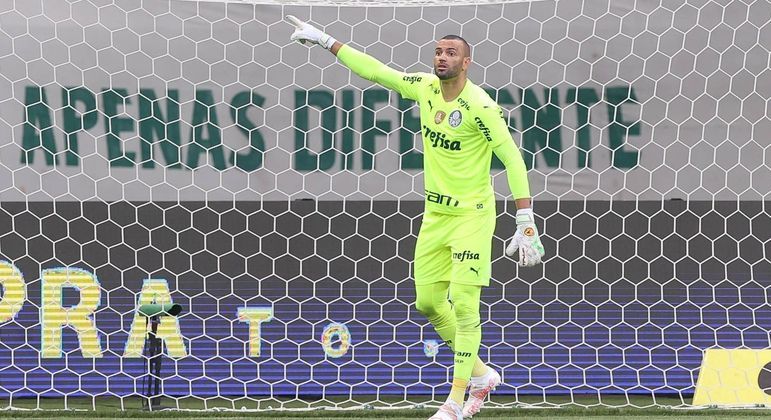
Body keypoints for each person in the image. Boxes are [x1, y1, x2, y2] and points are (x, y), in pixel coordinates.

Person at [286, 15, 545, 420]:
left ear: (467, 62)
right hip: (436, 215)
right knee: (427, 302)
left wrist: (524, 219)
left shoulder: (481, 106)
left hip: (473, 217)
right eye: (439, 51)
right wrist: (325, 40)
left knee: (463, 303)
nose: (442, 58)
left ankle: (456, 402)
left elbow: (512, 157)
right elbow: (378, 71)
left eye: (451, 53)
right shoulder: (424, 88)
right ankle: (480, 375)